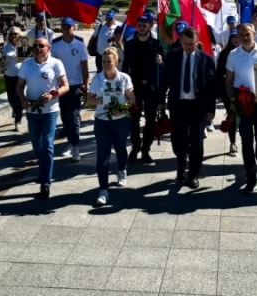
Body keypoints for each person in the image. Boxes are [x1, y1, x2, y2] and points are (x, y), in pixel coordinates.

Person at [160, 27, 217, 189]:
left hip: (198, 107)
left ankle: (193, 174)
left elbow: (211, 87)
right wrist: (161, 101)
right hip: (178, 106)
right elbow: (164, 80)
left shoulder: (207, 60)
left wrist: (211, 109)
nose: (189, 46)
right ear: (180, 41)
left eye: (192, 44)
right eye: (186, 43)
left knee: (196, 142)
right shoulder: (172, 56)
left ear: (197, 42)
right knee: (178, 141)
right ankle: (181, 166)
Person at [16, 37, 69, 199]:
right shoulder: (27, 64)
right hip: (32, 110)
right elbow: (19, 86)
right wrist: (23, 99)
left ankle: (45, 182)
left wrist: (53, 95)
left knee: (47, 144)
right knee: (35, 142)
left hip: (50, 111)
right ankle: (43, 168)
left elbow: (65, 86)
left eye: (41, 46)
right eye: (35, 46)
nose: (38, 48)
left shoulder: (56, 63)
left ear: (48, 48)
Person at [225, 23, 257, 194]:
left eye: (247, 34)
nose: (244, 37)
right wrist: (232, 100)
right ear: (237, 36)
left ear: (254, 33)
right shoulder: (233, 55)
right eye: (241, 34)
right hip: (243, 102)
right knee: (246, 139)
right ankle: (251, 176)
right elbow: (228, 80)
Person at [88, 46, 135, 207]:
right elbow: (89, 99)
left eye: (109, 61)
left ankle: (122, 169)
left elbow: (132, 99)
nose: (106, 64)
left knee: (120, 147)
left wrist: (124, 106)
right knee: (103, 154)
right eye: (103, 61)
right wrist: (100, 100)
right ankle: (103, 190)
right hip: (102, 121)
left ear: (116, 62)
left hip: (121, 120)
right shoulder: (97, 79)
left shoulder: (124, 78)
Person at [122, 14, 164, 164]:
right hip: (135, 87)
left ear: (150, 26)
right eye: (139, 25)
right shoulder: (130, 44)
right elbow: (125, 67)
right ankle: (135, 147)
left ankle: (146, 148)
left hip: (151, 88)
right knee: (134, 119)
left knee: (150, 120)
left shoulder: (156, 44)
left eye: (144, 25)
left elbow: (163, 69)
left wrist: (160, 62)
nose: (141, 28)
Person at [51, 17, 90, 162]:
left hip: (75, 85)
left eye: (69, 27)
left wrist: (85, 85)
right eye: (64, 27)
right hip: (61, 86)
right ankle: (70, 139)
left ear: (74, 28)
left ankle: (75, 145)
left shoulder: (80, 44)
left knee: (73, 115)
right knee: (65, 116)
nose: (66, 30)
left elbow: (85, 67)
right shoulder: (55, 45)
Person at [215, 28, 240, 156]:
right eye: (233, 37)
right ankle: (233, 142)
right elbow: (219, 74)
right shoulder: (225, 53)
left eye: (238, 37)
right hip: (228, 90)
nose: (236, 40)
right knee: (232, 116)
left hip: (244, 90)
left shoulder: (246, 51)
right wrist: (219, 93)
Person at [1, 26, 24, 132]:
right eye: (11, 34)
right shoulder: (6, 47)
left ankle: (18, 119)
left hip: (21, 76)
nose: (13, 36)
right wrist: (1, 63)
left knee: (19, 98)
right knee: (11, 99)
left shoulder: (24, 46)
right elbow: (3, 62)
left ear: (20, 35)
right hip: (9, 75)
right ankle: (16, 110)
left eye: (15, 33)